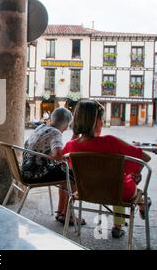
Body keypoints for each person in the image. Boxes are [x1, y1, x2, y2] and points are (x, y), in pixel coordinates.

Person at [62, 100, 151, 239]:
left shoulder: (70, 146)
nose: (103, 123)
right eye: (101, 119)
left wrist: (75, 135)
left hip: (87, 191)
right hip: (119, 193)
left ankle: (141, 203)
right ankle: (126, 218)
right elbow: (145, 158)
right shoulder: (111, 141)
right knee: (122, 182)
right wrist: (135, 172)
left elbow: (63, 160)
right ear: (94, 121)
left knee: (116, 180)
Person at [21, 107, 76, 224]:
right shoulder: (56, 133)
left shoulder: (41, 127)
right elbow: (58, 155)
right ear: (66, 125)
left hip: (25, 170)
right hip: (36, 174)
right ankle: (67, 215)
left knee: (64, 172)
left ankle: (61, 212)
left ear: (52, 118)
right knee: (73, 176)